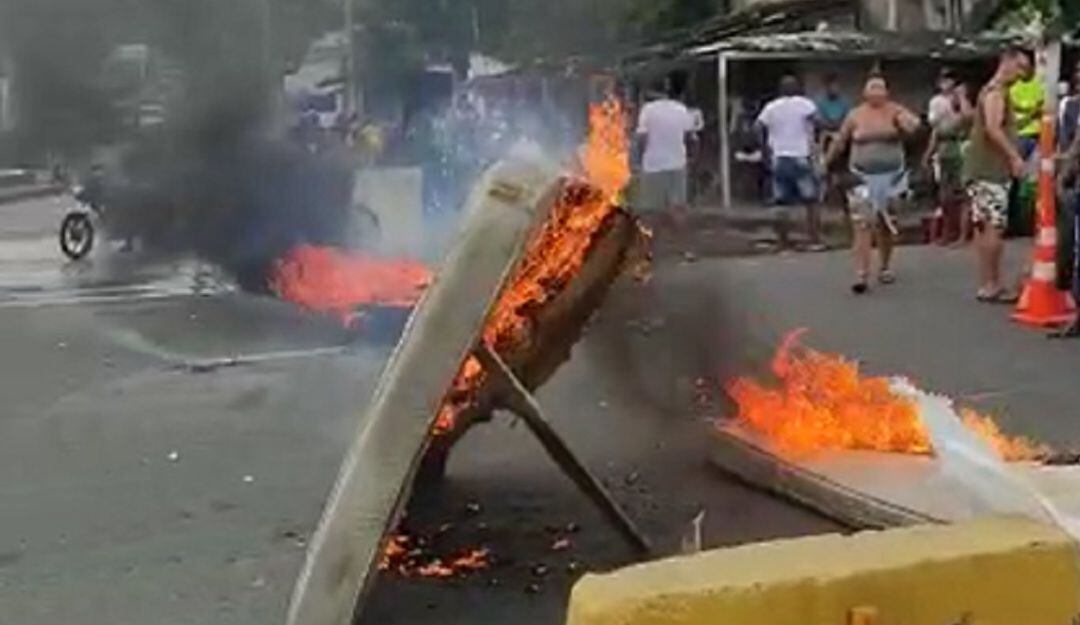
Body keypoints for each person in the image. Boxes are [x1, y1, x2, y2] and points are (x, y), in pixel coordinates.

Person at [824, 74, 920, 294]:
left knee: (886, 225)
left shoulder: (895, 110)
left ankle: (885, 266)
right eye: (872, 88)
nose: (876, 92)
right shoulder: (855, 115)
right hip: (861, 176)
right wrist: (825, 162)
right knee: (862, 224)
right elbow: (840, 141)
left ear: (887, 92)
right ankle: (861, 273)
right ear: (864, 92)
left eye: (880, 88)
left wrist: (904, 124)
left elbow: (914, 127)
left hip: (892, 176)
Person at [965, 47, 1029, 303]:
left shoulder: (993, 92)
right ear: (1007, 62)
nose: (1021, 74)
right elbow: (993, 128)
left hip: (983, 168)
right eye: (1020, 66)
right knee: (994, 226)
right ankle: (992, 282)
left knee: (984, 225)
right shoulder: (995, 93)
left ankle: (988, 282)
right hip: (990, 169)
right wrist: (1014, 156)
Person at [756, 74, 825, 250]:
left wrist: (765, 148)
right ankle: (814, 239)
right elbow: (818, 122)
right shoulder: (805, 104)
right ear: (797, 88)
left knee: (781, 202)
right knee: (811, 200)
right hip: (801, 155)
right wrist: (815, 141)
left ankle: (783, 241)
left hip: (779, 157)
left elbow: (758, 127)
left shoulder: (771, 107)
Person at [635, 79, 697, 229]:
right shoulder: (681, 109)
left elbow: (642, 138)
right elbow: (691, 138)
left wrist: (639, 159)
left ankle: (651, 242)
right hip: (677, 164)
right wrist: (691, 157)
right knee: (678, 207)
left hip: (653, 165)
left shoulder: (648, 110)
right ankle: (680, 243)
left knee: (650, 209)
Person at [923, 69, 973, 245]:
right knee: (945, 196)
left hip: (962, 146)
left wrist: (960, 97)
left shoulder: (963, 100)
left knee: (964, 194)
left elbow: (967, 118)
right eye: (943, 79)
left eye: (950, 79)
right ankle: (947, 232)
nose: (947, 83)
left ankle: (962, 235)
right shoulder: (936, 102)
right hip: (945, 148)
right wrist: (928, 153)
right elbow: (935, 129)